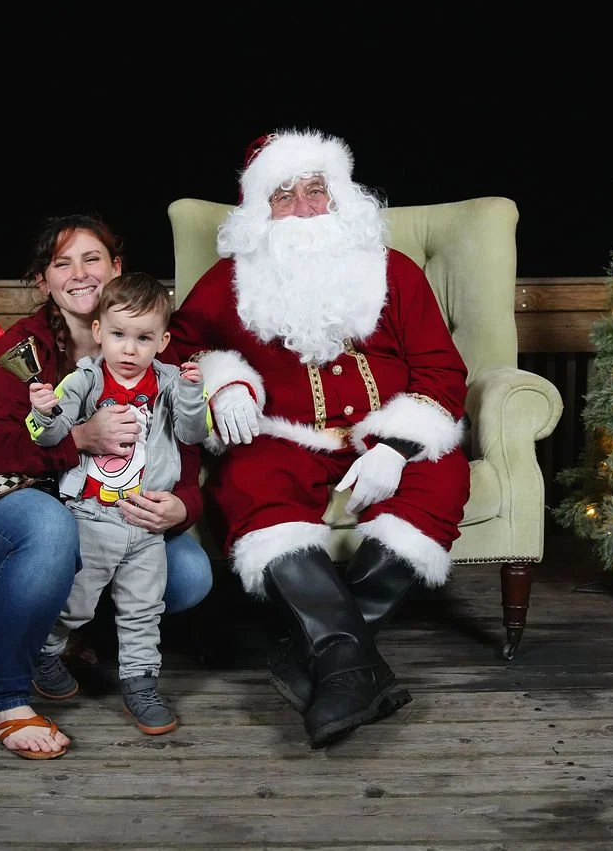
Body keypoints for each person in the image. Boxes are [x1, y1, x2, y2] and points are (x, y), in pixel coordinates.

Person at [168, 129, 471, 749]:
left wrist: (396, 446)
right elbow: (176, 351)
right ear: (260, 212)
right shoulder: (229, 280)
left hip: (383, 432)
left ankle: (321, 657)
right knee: (252, 483)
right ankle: (349, 662)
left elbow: (442, 370)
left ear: (340, 198)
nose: (305, 208)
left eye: (316, 191)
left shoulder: (396, 272)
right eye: (284, 196)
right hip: (281, 438)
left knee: (442, 474)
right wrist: (225, 381)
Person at [0, 215, 213, 760]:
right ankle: (8, 694)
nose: (80, 274)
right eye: (62, 263)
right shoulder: (25, 351)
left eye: (92, 258)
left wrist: (184, 505)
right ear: (44, 282)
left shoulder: (153, 354)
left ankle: (85, 637)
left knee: (191, 574)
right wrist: (77, 436)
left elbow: (186, 448)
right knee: (50, 526)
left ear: (117, 268)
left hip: (112, 518)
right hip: (0, 512)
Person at [26, 272, 210, 734]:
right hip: (92, 517)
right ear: (98, 333)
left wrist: (190, 396)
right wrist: (44, 411)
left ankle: (141, 685)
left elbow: (193, 434)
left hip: (147, 522)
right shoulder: (83, 380)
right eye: (119, 335)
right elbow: (48, 439)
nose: (130, 349)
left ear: (163, 341)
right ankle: (44, 655)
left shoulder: (170, 383)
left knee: (144, 610)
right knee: (75, 605)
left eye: (144, 338)